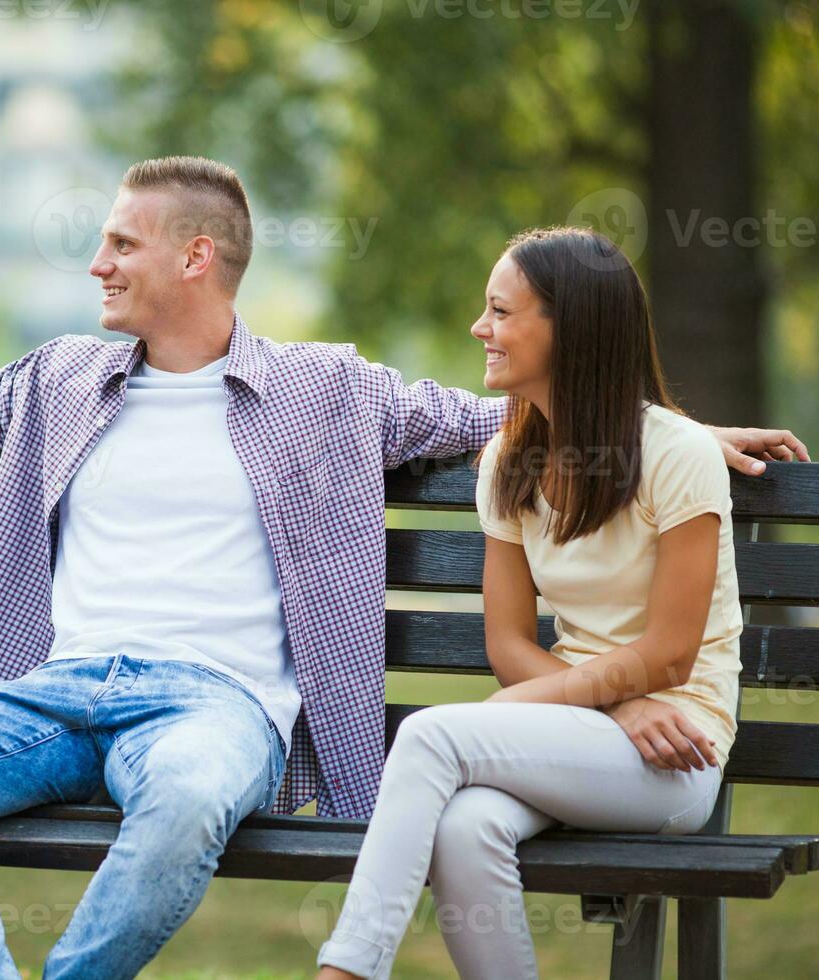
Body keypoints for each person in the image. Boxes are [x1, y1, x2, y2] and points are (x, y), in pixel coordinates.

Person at [0, 158, 805, 980]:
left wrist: (680, 430)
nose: (96, 264)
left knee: (190, 798)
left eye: (120, 244)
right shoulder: (60, 376)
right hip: (50, 695)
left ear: (196, 257)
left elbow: (515, 408)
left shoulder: (324, 389)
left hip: (217, 706)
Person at [313, 226, 779, 980]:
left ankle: (346, 971)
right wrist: (614, 706)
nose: (480, 329)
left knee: (431, 738)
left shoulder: (678, 455)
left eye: (501, 312)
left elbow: (669, 654)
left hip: (676, 750)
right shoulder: (508, 461)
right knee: (466, 828)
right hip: (586, 726)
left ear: (573, 328)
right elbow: (507, 647)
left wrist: (612, 706)